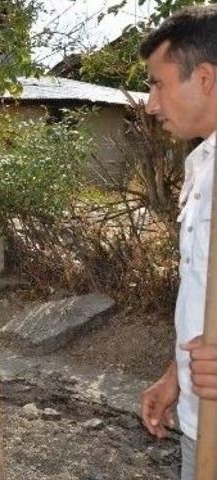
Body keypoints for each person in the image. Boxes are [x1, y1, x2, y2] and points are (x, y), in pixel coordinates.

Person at [137, 6, 217, 480]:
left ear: (204, 78)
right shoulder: (202, 164)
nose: (151, 104)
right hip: (198, 421)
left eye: (157, 85)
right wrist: (177, 374)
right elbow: (202, 289)